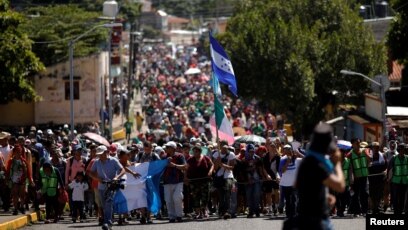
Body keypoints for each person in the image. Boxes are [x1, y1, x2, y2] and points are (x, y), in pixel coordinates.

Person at [288, 122, 345, 230]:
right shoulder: (318, 164)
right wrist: (337, 163)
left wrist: (322, 196)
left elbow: (298, 184)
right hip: (316, 221)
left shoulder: (307, 161)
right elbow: (340, 186)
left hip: (303, 218)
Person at [88, 145, 126, 229]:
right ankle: (109, 221)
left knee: (108, 203)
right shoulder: (96, 162)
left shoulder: (113, 160)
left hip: (112, 185)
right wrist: (97, 179)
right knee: (104, 205)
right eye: (99, 154)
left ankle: (107, 222)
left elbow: (123, 170)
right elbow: (90, 173)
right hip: (101, 186)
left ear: (106, 152)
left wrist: (117, 177)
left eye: (102, 154)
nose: (100, 156)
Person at [186, 143, 214, 219]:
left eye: (196, 151)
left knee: (205, 197)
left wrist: (210, 171)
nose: (195, 153)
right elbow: (186, 169)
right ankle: (199, 213)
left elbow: (212, 165)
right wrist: (186, 178)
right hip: (194, 181)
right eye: (194, 152)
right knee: (196, 197)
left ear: (200, 151)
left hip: (204, 181)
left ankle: (204, 211)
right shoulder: (190, 159)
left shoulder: (206, 158)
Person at [244, 144, 271, 218]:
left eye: (253, 151)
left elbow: (262, 169)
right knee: (249, 197)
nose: (251, 152)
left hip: (257, 180)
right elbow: (243, 171)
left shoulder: (258, 158)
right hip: (248, 181)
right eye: (250, 151)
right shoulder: (244, 160)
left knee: (256, 196)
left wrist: (265, 176)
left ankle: (256, 211)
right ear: (247, 151)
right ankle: (251, 211)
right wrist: (247, 179)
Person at [162, 141, 187, 223]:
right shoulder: (164, 157)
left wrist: (174, 165)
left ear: (173, 148)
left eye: (168, 147)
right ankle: (171, 217)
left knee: (177, 198)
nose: (166, 148)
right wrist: (165, 162)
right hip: (167, 181)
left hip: (178, 181)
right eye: (166, 147)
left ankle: (179, 216)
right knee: (168, 200)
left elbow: (185, 167)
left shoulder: (180, 156)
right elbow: (160, 167)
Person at [212, 141, 236, 219]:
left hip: (228, 176)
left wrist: (223, 165)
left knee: (227, 194)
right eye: (222, 146)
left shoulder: (231, 154)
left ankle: (227, 211)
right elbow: (215, 168)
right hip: (219, 177)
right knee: (221, 196)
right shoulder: (216, 154)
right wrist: (217, 161)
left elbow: (232, 167)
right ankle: (221, 211)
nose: (224, 148)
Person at [347, 138, 370, 217]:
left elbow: (370, 160)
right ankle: (357, 211)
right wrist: (352, 176)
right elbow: (349, 166)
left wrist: (367, 155)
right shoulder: (350, 154)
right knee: (355, 195)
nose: (358, 144)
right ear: (352, 144)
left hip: (364, 176)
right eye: (356, 143)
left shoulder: (364, 151)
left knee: (364, 194)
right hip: (356, 178)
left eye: (359, 143)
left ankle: (365, 211)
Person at [5, 144, 31, 215]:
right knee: (15, 194)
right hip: (14, 179)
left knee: (22, 195)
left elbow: (28, 170)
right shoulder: (11, 161)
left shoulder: (24, 161)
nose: (18, 153)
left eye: (19, 151)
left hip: (22, 179)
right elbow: (8, 170)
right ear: (14, 152)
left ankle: (22, 207)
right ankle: (15, 208)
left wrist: (30, 179)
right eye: (16, 151)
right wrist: (7, 179)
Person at [279, 144, 302, 219]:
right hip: (285, 184)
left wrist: (298, 153)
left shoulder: (296, 159)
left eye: (288, 149)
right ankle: (288, 215)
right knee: (288, 200)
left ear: (291, 150)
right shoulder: (282, 159)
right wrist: (288, 162)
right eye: (285, 149)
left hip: (294, 184)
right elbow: (282, 171)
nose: (287, 150)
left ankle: (294, 215)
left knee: (294, 199)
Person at [387, 143, 408, 215]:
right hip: (395, 181)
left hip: (405, 181)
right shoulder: (394, 158)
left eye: (404, 149)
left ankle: (401, 211)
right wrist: (389, 180)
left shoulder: (407, 158)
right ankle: (396, 212)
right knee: (395, 197)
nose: (403, 151)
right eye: (402, 149)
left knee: (402, 197)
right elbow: (390, 170)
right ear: (399, 150)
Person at [368, 142, 387, 214]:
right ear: (372, 148)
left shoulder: (383, 156)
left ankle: (378, 208)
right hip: (372, 179)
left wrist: (385, 171)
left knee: (379, 194)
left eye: (377, 147)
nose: (376, 149)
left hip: (380, 179)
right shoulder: (369, 156)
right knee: (372, 194)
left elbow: (386, 167)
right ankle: (374, 208)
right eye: (374, 147)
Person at [263, 139, 281, 216]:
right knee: (268, 193)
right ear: (268, 147)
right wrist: (267, 175)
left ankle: (276, 208)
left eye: (274, 146)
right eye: (271, 146)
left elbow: (279, 169)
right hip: (268, 176)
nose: (273, 147)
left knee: (277, 192)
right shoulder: (265, 156)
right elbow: (264, 168)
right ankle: (270, 209)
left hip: (275, 176)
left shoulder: (278, 157)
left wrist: (277, 176)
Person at [383, 140, 398, 212]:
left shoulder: (398, 154)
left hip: (395, 176)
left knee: (394, 192)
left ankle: (393, 205)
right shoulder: (385, 154)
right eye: (391, 144)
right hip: (387, 176)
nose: (392, 146)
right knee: (386, 192)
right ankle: (385, 205)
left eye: (394, 144)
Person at [0, 132, 12, 212]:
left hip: (10, 171)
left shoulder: (11, 148)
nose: (0, 141)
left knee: (8, 189)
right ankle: (4, 204)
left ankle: (7, 205)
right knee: (2, 189)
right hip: (1, 172)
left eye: (2, 139)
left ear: (6, 139)